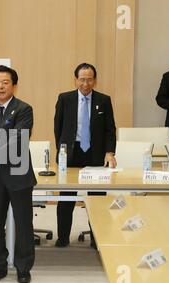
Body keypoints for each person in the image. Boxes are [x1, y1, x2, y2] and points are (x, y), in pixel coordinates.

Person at [0, 65, 36, 283]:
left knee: (23, 223)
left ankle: (23, 267)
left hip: (18, 175)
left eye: (5, 82)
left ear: (14, 85)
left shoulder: (24, 109)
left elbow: (18, 139)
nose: (0, 86)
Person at [54, 63, 117, 249]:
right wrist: (62, 150)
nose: (86, 83)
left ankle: (97, 238)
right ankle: (63, 237)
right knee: (66, 198)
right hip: (72, 154)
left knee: (97, 198)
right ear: (76, 80)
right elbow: (58, 127)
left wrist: (109, 152)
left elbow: (110, 129)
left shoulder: (104, 100)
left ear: (94, 80)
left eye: (89, 79)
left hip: (95, 154)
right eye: (82, 79)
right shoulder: (65, 99)